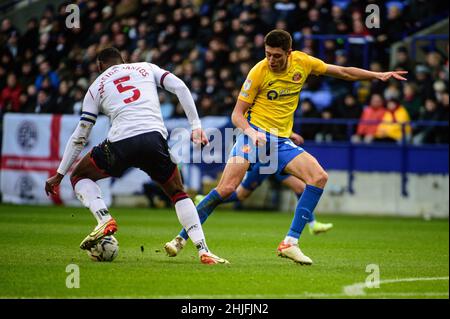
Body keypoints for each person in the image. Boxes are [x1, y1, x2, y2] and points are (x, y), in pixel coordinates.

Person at [165, 30, 407, 265]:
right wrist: (252, 133)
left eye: (277, 55)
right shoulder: (258, 71)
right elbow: (237, 115)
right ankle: (181, 237)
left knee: (318, 177)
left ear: (289, 53)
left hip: (280, 142)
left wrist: (376, 75)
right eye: (268, 53)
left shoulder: (303, 62)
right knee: (227, 189)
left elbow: (342, 71)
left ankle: (290, 242)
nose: (271, 59)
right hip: (252, 137)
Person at [45, 47, 228, 265]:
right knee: (178, 193)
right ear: (124, 60)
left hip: (121, 143)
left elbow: (81, 135)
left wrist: (59, 174)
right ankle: (203, 250)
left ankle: (104, 218)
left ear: (99, 66)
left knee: (79, 177)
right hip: (154, 140)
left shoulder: (95, 88)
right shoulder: (145, 67)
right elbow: (180, 86)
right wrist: (196, 126)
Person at [188, 132, 333, 238]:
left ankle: (312, 225)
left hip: (276, 157)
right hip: (265, 160)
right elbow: (263, 126)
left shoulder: (280, 105)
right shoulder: (259, 105)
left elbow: (276, 128)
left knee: (300, 187)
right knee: (241, 194)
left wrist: (289, 134)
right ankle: (207, 199)